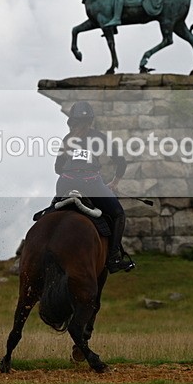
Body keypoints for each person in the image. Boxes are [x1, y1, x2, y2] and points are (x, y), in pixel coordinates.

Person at [54, 101, 135, 273]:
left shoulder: (67, 139)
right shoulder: (99, 137)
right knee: (118, 214)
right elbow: (121, 162)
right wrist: (114, 183)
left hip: (65, 183)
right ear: (91, 121)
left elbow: (57, 169)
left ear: (71, 122)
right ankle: (113, 258)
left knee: (50, 212)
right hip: (92, 184)